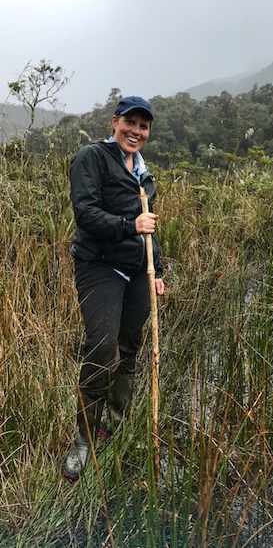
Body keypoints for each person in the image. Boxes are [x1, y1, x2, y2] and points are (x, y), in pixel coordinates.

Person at [63, 96, 165, 482]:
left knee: (128, 347)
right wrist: (130, 226)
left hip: (139, 269)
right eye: (130, 123)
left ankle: (114, 423)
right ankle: (84, 438)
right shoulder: (92, 157)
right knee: (102, 348)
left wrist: (158, 267)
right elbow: (85, 212)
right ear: (115, 122)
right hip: (100, 266)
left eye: (143, 126)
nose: (136, 131)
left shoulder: (145, 174)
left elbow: (151, 224)